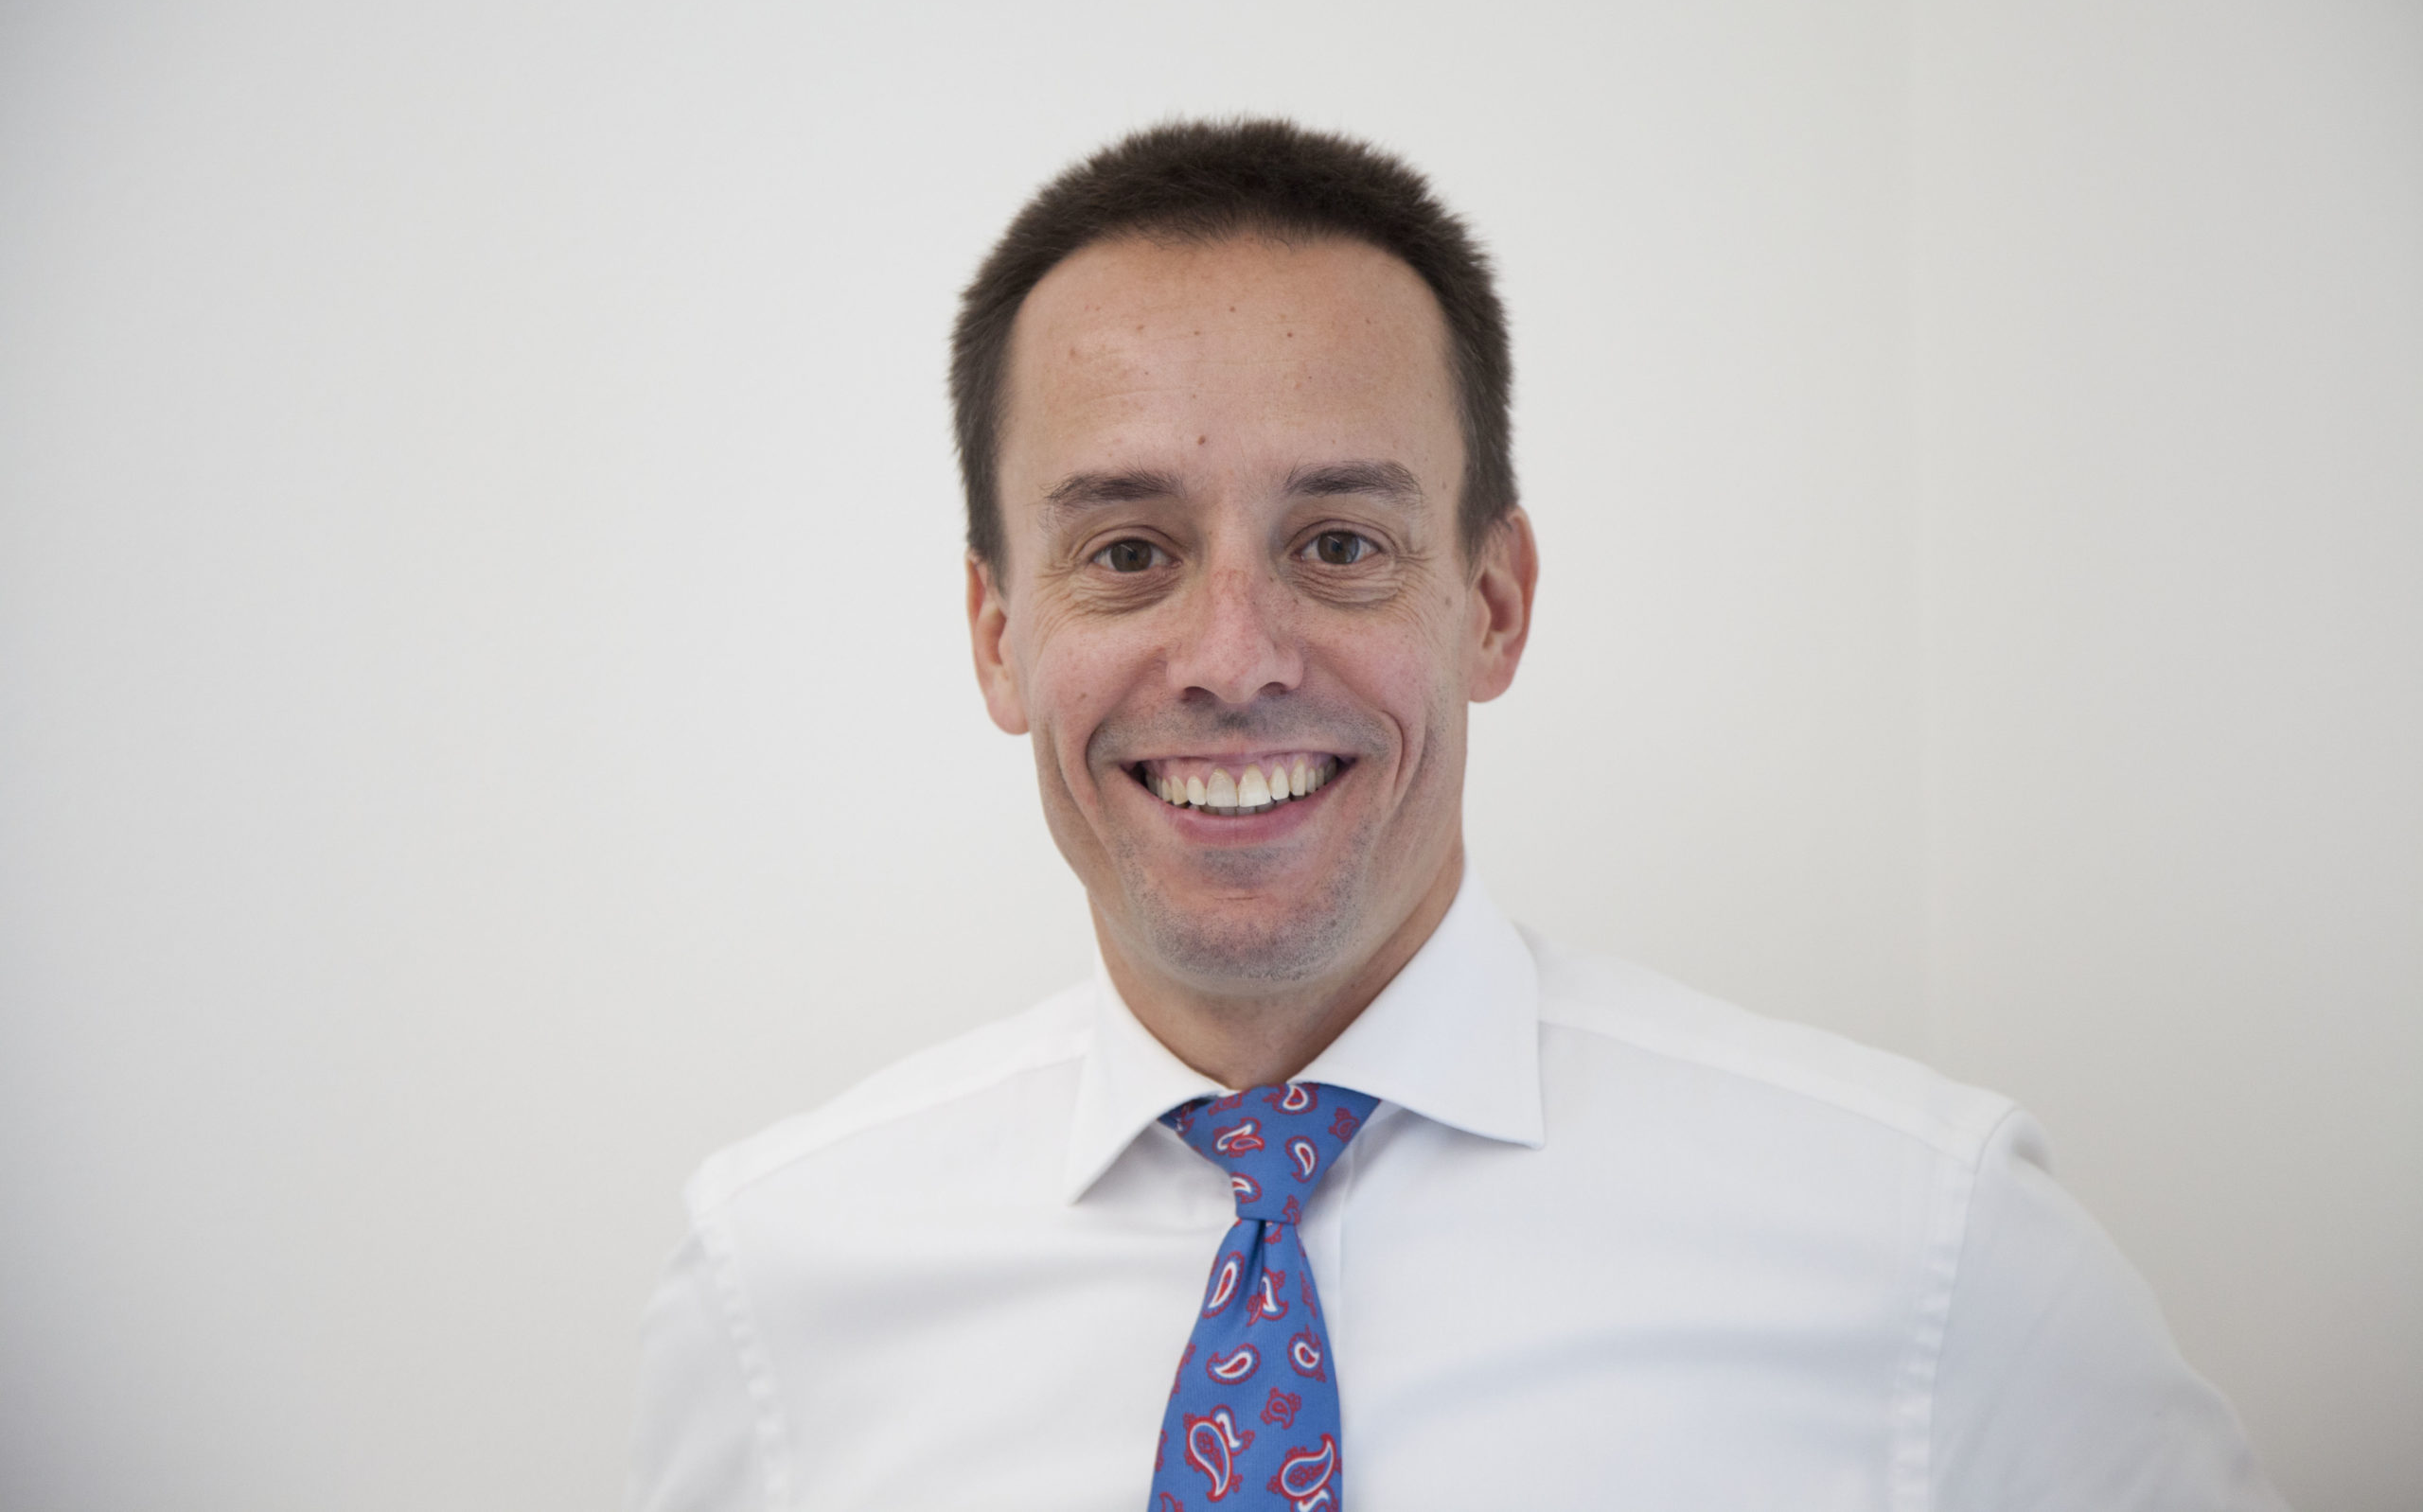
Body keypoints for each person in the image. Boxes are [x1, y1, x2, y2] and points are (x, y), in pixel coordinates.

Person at [627, 119, 2280, 1510]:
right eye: (1128, 552)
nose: (1234, 659)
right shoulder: (775, 1292)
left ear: (1493, 603)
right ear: (999, 635)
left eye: (1341, 544)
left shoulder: (1936, 1256)